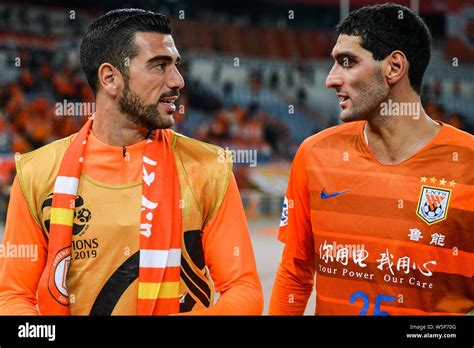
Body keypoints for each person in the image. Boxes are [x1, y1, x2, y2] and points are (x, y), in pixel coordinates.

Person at [0, 9, 263, 315]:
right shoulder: (36, 172)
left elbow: (245, 291)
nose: (178, 81)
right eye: (159, 66)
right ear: (110, 78)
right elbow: (12, 298)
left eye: (176, 65)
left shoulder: (209, 167)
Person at [270, 4, 473, 315]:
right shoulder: (314, 156)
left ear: (393, 67)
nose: (331, 79)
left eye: (347, 62)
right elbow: (295, 274)